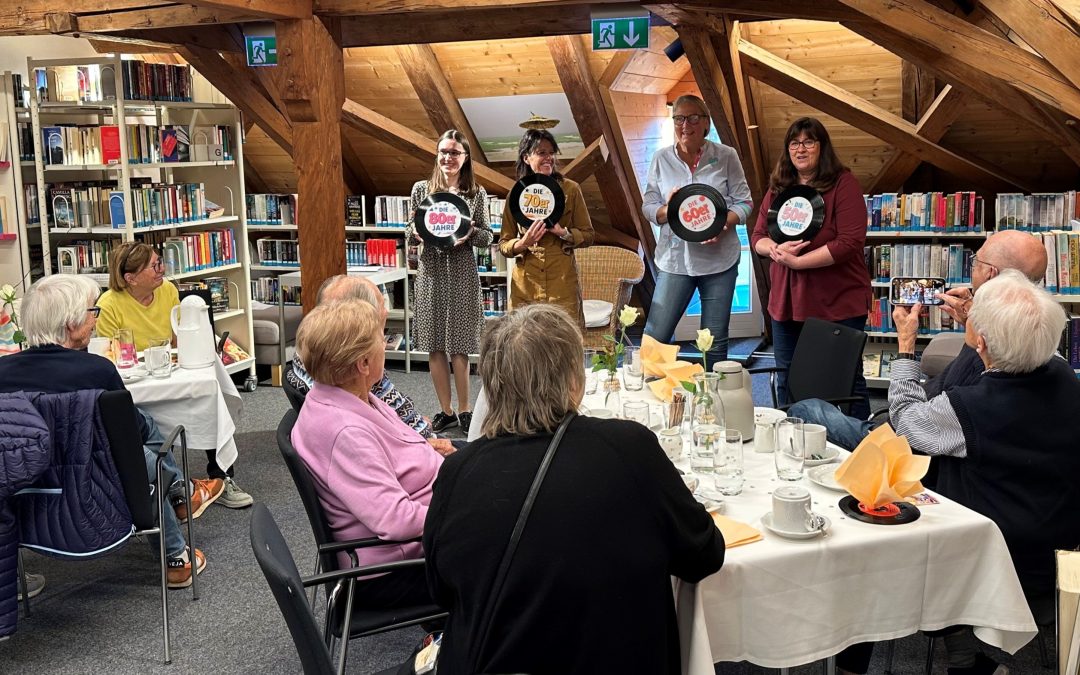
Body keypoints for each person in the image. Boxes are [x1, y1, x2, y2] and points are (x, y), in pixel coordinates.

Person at [423, 304, 725, 674]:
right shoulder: (630, 450)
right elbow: (704, 554)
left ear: (492, 387)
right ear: (575, 383)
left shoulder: (456, 473)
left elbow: (440, 592)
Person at [835, 270, 1080, 675]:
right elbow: (1028, 339)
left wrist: (906, 347)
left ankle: (857, 658)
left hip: (990, 553)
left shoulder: (968, 408)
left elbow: (904, 422)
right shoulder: (1064, 376)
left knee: (876, 513)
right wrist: (980, 319)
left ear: (980, 343)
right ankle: (965, 656)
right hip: (1058, 540)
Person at [0, 275, 223, 589]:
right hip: (94, 490)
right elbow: (127, 433)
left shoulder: (3, 373)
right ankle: (175, 551)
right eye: (92, 312)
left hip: (27, 489)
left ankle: (179, 496)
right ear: (70, 324)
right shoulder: (96, 369)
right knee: (144, 457)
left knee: (141, 431)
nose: (95, 320)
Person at [789, 229, 1049, 449]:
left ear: (990, 273)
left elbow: (907, 426)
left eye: (975, 261)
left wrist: (906, 343)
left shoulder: (974, 403)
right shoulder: (1036, 344)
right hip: (928, 416)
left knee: (805, 410)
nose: (973, 267)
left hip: (908, 443)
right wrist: (975, 321)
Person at [291, 299, 454, 609]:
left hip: (422, 533)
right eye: (382, 338)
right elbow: (396, 521)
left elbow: (389, 450)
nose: (385, 343)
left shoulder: (347, 396)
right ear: (363, 364)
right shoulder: (345, 432)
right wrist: (462, 511)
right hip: (396, 567)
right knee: (516, 549)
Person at [96, 242, 253, 509]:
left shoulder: (167, 290)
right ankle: (166, 486)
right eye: (154, 266)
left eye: (160, 262)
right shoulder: (108, 304)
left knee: (208, 393)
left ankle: (222, 476)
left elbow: (178, 336)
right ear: (130, 278)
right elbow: (113, 353)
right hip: (135, 381)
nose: (162, 269)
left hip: (168, 369)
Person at [751, 117, 872, 418]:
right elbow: (758, 237)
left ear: (822, 147)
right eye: (794, 143)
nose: (800, 149)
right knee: (787, 376)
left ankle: (860, 440)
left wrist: (798, 262)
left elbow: (850, 242)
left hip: (837, 301)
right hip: (787, 302)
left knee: (845, 380)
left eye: (808, 142)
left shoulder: (843, 183)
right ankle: (789, 434)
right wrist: (774, 249)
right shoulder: (780, 188)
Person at [642, 94, 753, 364]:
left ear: (706, 123)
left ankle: (712, 392)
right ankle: (655, 388)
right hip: (675, 261)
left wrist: (723, 223)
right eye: (679, 118)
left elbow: (745, 203)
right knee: (655, 339)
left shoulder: (726, 156)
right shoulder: (661, 158)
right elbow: (648, 207)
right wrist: (668, 209)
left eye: (693, 118)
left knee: (713, 343)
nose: (685, 125)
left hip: (719, 262)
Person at [406, 130, 493, 435]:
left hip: (461, 273)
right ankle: (446, 411)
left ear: (465, 158)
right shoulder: (421, 189)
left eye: (455, 152)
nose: (448, 158)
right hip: (430, 272)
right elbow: (409, 230)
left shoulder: (476, 193)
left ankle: (466, 410)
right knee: (434, 346)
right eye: (443, 152)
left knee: (459, 347)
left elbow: (487, 237)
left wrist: (471, 234)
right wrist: (416, 233)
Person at [286, 274, 433, 438]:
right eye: (381, 306)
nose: (385, 312)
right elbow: (412, 431)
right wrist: (423, 436)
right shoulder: (355, 372)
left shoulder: (315, 358)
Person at [498, 128, 594, 326]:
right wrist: (523, 243)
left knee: (564, 338)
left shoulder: (571, 189)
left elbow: (589, 235)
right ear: (526, 158)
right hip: (526, 284)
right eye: (541, 153)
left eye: (551, 152)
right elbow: (504, 244)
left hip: (562, 282)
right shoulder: (516, 194)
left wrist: (564, 233)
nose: (548, 157)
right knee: (525, 339)